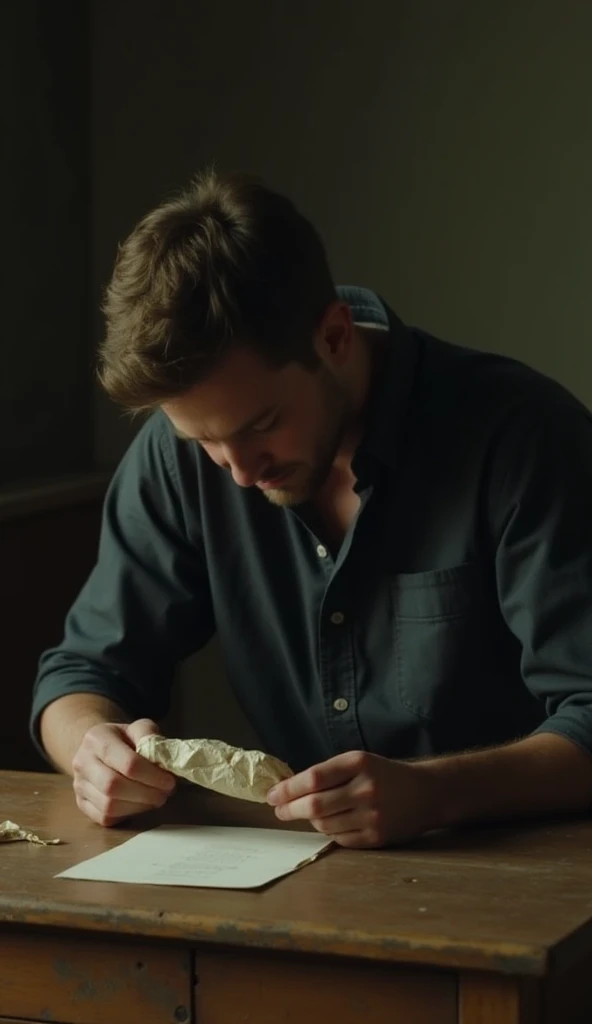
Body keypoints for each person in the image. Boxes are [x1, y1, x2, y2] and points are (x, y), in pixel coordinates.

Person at [32, 170, 592, 848]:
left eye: (261, 423)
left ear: (333, 335)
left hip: (532, 879)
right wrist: (91, 747)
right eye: (203, 440)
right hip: (304, 881)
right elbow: (82, 672)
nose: (238, 470)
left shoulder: (524, 439)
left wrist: (437, 791)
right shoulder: (177, 456)